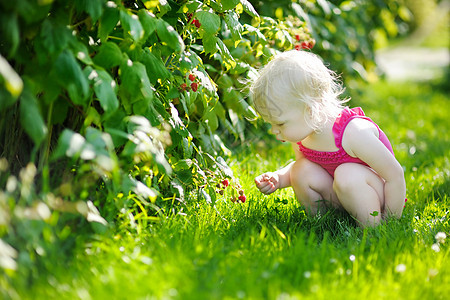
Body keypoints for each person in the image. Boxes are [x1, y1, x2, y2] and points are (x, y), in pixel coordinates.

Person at [251, 50, 406, 227]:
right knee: (300, 170)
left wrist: (391, 219)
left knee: (347, 173)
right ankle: (324, 224)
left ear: (310, 110)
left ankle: (372, 229)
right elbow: (303, 169)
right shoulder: (302, 136)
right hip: (341, 193)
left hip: (378, 198)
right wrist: (278, 178)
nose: (273, 131)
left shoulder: (353, 133)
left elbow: (395, 175)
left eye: (280, 124)